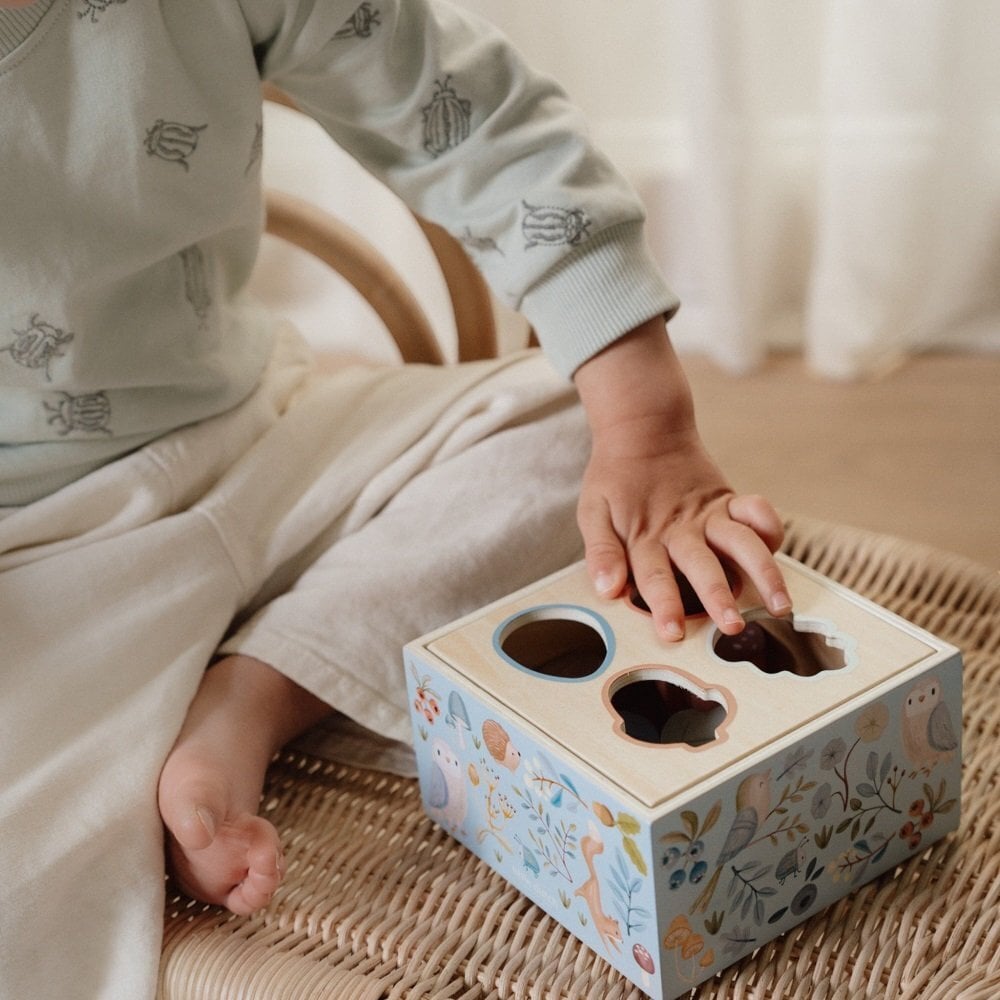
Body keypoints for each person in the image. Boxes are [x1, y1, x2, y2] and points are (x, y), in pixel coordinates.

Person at [0, 0, 790, 995]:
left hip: (267, 430)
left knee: (564, 421)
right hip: (40, 547)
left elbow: (480, 123)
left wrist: (647, 427)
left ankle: (251, 697)